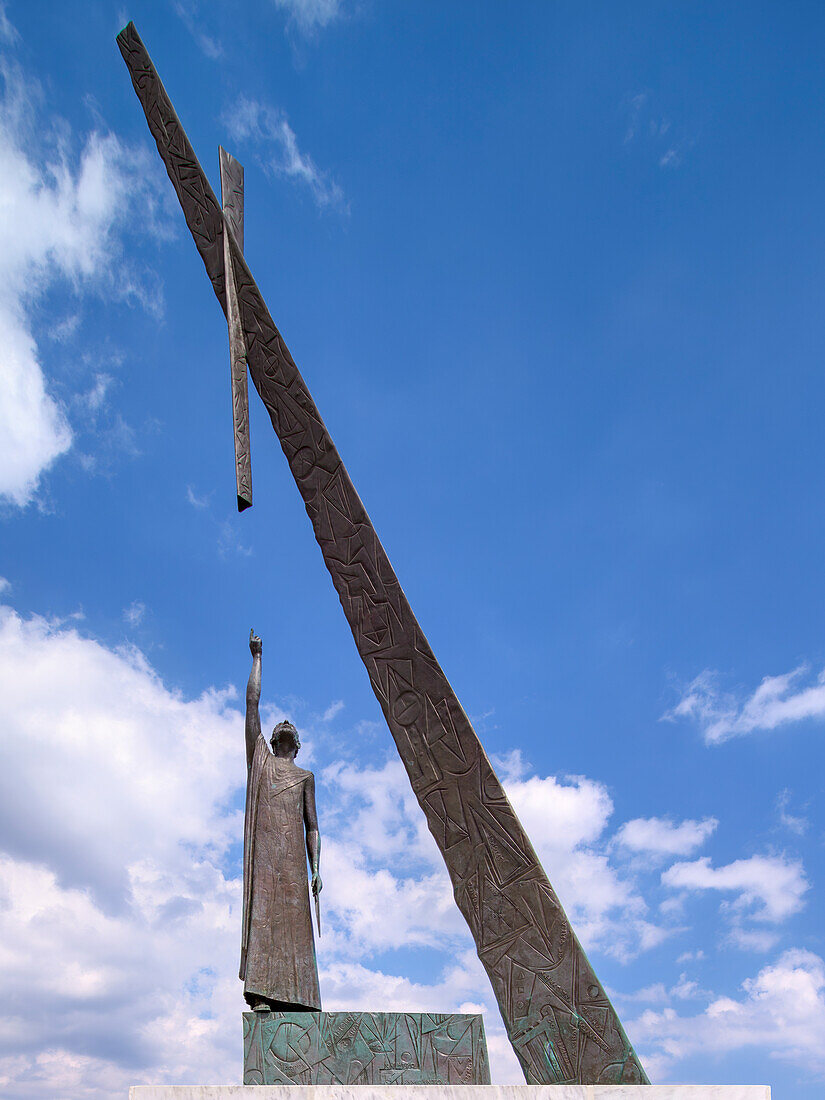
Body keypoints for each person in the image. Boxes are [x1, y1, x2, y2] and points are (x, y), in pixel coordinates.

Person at [240, 629, 322, 1012]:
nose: (284, 724)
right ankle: (262, 993)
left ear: (297, 743)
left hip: (293, 861)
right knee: (266, 918)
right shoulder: (261, 763)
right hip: (267, 857)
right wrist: (258, 659)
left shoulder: (306, 776)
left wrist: (316, 868)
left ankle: (300, 999)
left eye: (289, 727)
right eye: (279, 727)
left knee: (294, 926)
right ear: (273, 740)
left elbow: (314, 827)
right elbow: (252, 705)